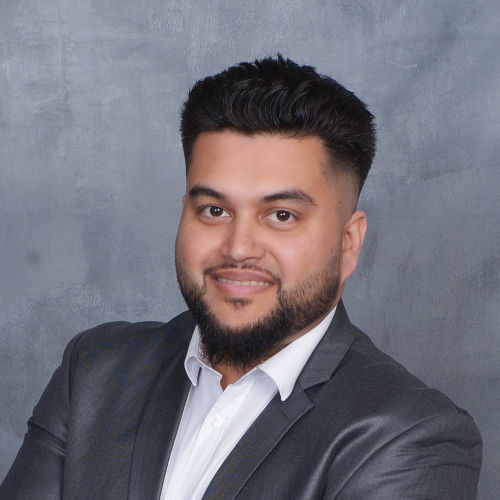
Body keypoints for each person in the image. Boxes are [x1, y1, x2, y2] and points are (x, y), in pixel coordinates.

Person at [0, 55, 482, 500]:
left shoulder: (410, 436)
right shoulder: (95, 372)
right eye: (214, 210)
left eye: (282, 215)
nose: (238, 247)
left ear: (349, 242)